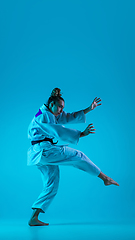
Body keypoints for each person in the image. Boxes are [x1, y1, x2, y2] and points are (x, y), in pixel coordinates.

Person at [27, 87, 119, 226]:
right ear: (51, 104)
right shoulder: (45, 115)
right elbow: (58, 131)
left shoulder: (49, 112)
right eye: (59, 107)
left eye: (62, 108)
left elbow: (67, 117)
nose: (61, 110)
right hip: (45, 151)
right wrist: (82, 134)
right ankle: (105, 178)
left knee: (52, 184)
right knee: (78, 155)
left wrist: (89, 108)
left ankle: (34, 217)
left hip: (40, 154)